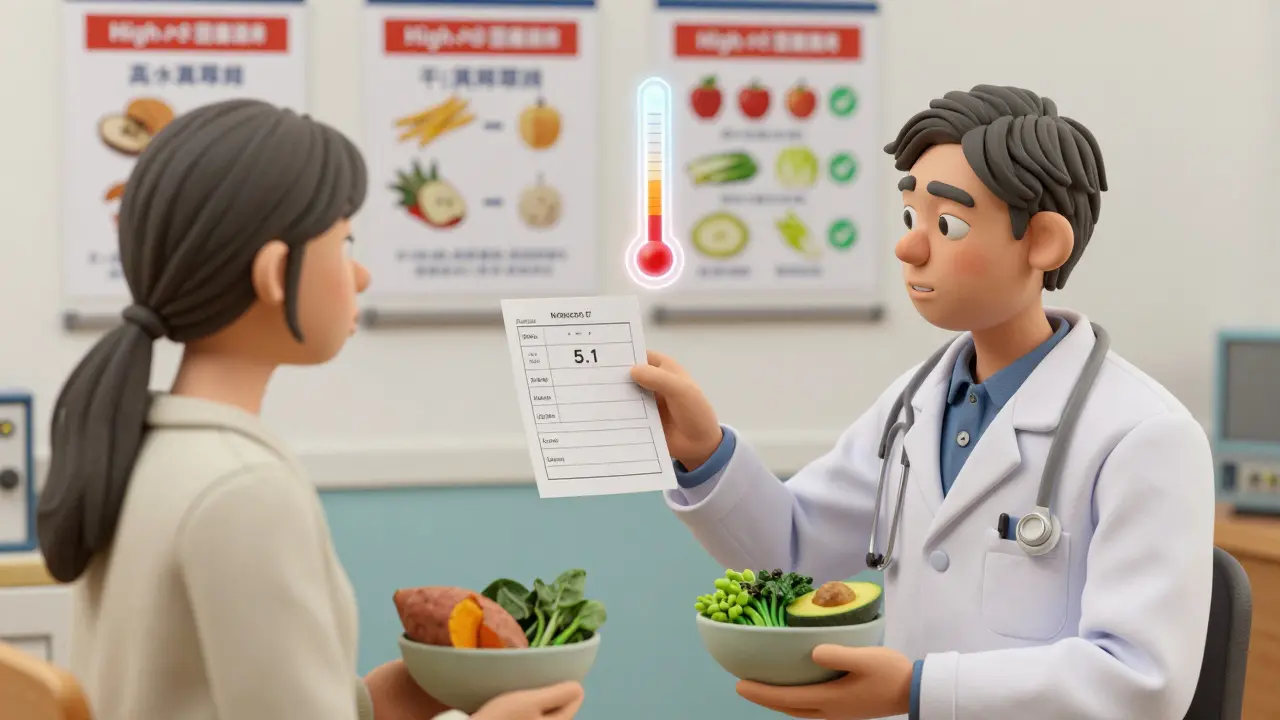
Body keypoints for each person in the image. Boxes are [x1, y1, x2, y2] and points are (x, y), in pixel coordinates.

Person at [632, 84, 1215, 719]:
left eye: (950, 224)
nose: (909, 247)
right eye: (911, 218)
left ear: (1043, 241)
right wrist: (703, 450)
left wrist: (918, 691)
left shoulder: (1144, 436)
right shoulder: (916, 403)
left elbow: (1140, 681)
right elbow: (794, 548)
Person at [36, 99, 584, 720]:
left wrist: (385, 700)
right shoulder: (243, 490)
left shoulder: (142, 450)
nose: (362, 274)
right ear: (275, 274)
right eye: (344, 242)